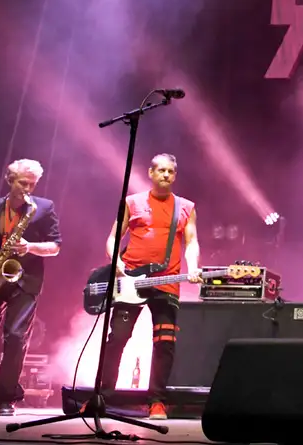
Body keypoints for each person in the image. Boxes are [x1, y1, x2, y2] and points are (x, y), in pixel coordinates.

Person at [99, 154, 200, 420]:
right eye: (161, 170)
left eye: (170, 171)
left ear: (175, 175)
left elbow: (191, 242)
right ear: (151, 173)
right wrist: (116, 261)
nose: (166, 175)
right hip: (130, 280)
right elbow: (113, 238)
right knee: (117, 339)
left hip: (166, 282)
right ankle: (101, 397)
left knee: (164, 343)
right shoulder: (132, 202)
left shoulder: (185, 207)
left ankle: (157, 401)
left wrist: (193, 266)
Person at [0, 159, 61, 416]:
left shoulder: (43, 208)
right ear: (10, 180)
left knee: (16, 336)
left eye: (33, 184)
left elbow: (55, 246)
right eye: (23, 183)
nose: (28, 189)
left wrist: (30, 247)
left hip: (26, 279)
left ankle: (5, 396)